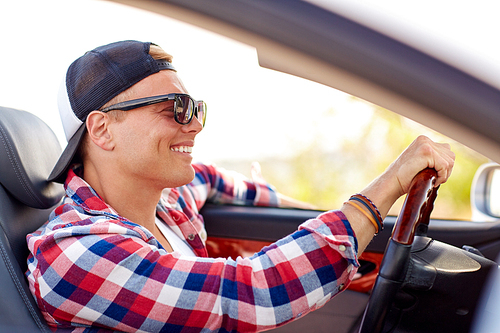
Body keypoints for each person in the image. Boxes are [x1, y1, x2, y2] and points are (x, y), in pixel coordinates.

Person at [26, 40, 455, 333]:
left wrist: (292, 207)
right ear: (102, 130)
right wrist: (385, 189)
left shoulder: (166, 204)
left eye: (195, 108)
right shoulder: (75, 254)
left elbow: (212, 179)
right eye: (174, 108)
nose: (194, 124)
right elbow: (251, 292)